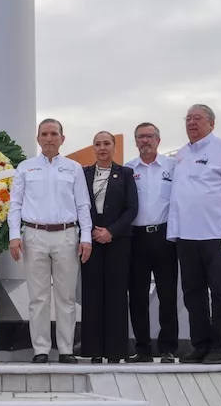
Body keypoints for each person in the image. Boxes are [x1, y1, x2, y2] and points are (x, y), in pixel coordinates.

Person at [8, 118, 93, 364]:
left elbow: (82, 205)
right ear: (37, 139)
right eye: (44, 134)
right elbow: (15, 204)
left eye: (54, 134)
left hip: (67, 235)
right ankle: (41, 349)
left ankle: (66, 349)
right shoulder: (25, 167)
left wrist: (86, 237)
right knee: (38, 297)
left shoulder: (74, 168)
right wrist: (14, 235)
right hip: (34, 235)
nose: (49, 138)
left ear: (62, 138)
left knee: (66, 297)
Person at [168, 104, 221, 365]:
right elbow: (178, 197)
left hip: (217, 236)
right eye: (188, 119)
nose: (192, 123)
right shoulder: (180, 155)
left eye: (198, 118)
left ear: (211, 123)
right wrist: (175, 233)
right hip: (187, 238)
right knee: (193, 295)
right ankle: (200, 345)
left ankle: (220, 348)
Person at [80, 131, 138, 363]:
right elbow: (78, 205)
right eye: (97, 144)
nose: (102, 148)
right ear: (93, 148)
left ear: (114, 147)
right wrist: (93, 230)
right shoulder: (83, 174)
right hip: (90, 239)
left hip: (118, 240)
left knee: (116, 294)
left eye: (107, 144)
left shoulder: (125, 174)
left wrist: (110, 231)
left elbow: (132, 208)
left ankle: (115, 351)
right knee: (92, 293)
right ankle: (94, 350)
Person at [125, 123, 179, 364]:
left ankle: (168, 348)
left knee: (167, 294)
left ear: (158, 139)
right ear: (135, 142)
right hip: (136, 238)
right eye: (140, 137)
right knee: (137, 296)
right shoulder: (128, 169)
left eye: (149, 136)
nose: (145, 140)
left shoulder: (173, 166)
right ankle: (143, 349)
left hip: (165, 236)